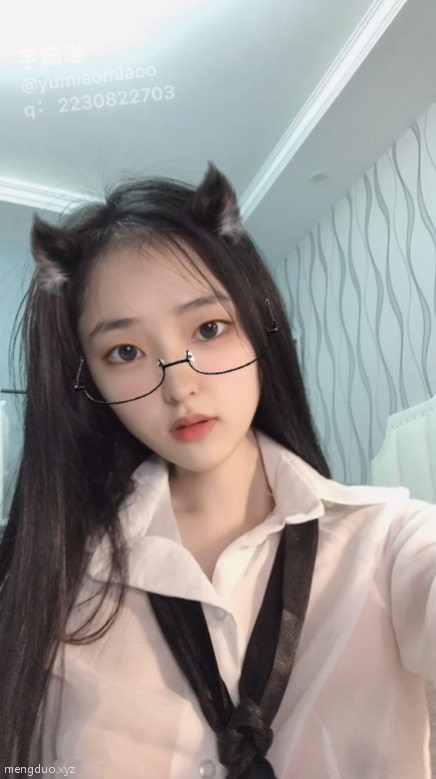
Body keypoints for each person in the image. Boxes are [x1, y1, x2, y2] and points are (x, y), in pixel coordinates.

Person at [0, 162, 435, 779]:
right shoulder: (52, 583)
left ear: (257, 329)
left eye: (208, 328)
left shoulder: (392, 540)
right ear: (88, 378)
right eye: (125, 351)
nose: (179, 386)